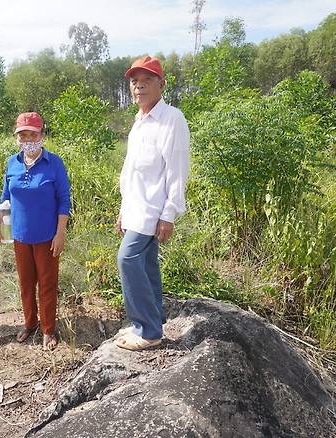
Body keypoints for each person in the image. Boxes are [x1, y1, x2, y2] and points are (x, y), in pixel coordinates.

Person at [114, 56, 191, 351]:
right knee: (146, 264)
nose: (139, 85)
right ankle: (153, 319)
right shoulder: (139, 122)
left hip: (153, 211)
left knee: (128, 259)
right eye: (135, 81)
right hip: (135, 208)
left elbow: (177, 171)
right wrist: (123, 210)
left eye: (147, 80)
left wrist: (169, 214)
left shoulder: (172, 119)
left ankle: (147, 331)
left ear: (161, 83)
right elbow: (131, 172)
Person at [0, 112, 71, 350]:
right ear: (17, 137)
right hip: (20, 235)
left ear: (41, 135)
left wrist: (60, 233)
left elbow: (63, 200)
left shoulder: (54, 163)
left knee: (47, 283)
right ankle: (30, 323)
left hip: (47, 237)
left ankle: (48, 329)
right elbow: (6, 195)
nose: (28, 139)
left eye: (33, 134)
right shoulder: (12, 163)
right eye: (23, 134)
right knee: (26, 283)